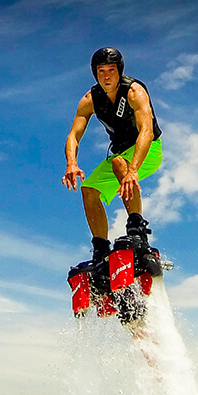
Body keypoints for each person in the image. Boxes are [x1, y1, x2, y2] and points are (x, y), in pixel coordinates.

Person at [62, 47, 163, 264]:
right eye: (101, 71)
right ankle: (100, 249)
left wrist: (133, 169)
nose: (106, 76)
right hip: (120, 154)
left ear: (119, 71)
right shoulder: (90, 99)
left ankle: (137, 230)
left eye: (111, 70)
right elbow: (73, 135)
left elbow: (146, 130)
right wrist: (71, 163)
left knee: (119, 163)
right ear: (94, 73)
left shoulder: (134, 91)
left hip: (148, 149)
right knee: (89, 189)